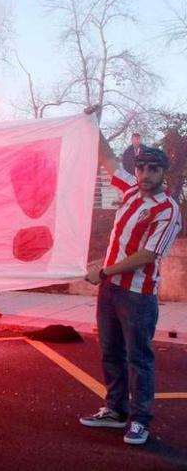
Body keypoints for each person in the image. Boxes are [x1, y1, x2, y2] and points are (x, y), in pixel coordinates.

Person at [80, 111, 182, 445]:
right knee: (110, 352)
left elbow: (148, 256)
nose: (145, 174)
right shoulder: (130, 190)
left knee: (139, 358)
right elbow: (108, 159)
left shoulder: (167, 209)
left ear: (162, 172)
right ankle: (116, 410)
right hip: (110, 290)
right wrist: (90, 125)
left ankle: (141, 420)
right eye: (141, 167)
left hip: (137, 296)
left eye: (153, 168)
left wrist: (104, 271)